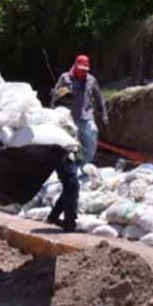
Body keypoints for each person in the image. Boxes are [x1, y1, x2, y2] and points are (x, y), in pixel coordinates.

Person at [46, 55, 107, 233]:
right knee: (72, 184)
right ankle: (69, 223)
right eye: (68, 99)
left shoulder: (69, 120)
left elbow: (98, 96)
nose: (72, 101)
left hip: (71, 152)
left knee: (71, 184)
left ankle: (55, 216)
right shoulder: (60, 118)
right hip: (62, 154)